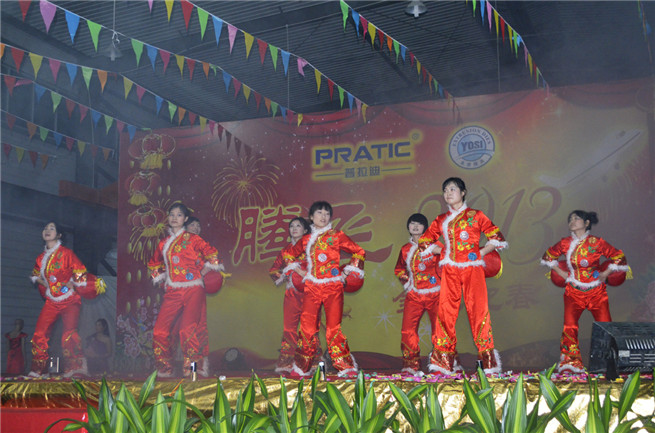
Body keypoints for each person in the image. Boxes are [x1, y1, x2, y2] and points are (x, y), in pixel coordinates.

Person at [419, 177, 507, 375]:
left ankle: (488, 363)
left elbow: (496, 236)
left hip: (472, 269)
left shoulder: (476, 215)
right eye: (445, 190)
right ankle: (443, 363)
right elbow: (424, 242)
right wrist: (442, 252)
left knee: (479, 312)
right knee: (445, 313)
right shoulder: (441, 219)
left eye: (452, 189)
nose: (448, 193)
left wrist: (481, 252)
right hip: (450, 270)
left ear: (463, 192)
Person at [282, 201, 365, 377]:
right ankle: (301, 367)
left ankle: (345, 366)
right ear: (311, 217)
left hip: (333, 287)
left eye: (327, 214)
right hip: (312, 287)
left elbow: (359, 251)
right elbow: (288, 254)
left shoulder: (337, 235)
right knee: (307, 328)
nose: (323, 217)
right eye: (319, 213)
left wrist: (347, 272)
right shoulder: (306, 239)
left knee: (333, 328)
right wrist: (300, 271)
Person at [541, 210, 630, 374]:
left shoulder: (597, 242)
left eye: (577, 218)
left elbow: (619, 256)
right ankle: (570, 363)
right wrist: (562, 273)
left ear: (587, 223)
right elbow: (548, 257)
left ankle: (607, 363)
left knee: (605, 326)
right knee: (569, 326)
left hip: (596, 292)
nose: (572, 221)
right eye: (570, 219)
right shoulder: (565, 243)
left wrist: (606, 273)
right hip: (573, 292)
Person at [148, 203, 223, 378]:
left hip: (193, 289)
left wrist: (203, 272)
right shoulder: (164, 243)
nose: (175, 218)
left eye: (179, 215)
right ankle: (164, 369)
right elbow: (154, 264)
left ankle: (193, 370)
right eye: (172, 215)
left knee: (187, 330)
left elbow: (212, 255)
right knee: (159, 331)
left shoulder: (193, 239)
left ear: (185, 219)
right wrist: (163, 278)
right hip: (172, 291)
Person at [28, 222, 106, 378]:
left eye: (51, 229)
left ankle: (76, 368)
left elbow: (80, 271)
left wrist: (73, 283)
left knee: (69, 334)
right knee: (40, 333)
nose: (47, 230)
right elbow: (35, 275)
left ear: (59, 235)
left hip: (69, 299)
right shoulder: (40, 258)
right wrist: (45, 284)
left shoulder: (66, 253)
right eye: (45, 228)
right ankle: (39, 369)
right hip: (52, 300)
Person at [394, 213, 452, 376]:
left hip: (435, 295)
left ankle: (442, 364)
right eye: (412, 223)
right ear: (408, 227)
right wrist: (408, 283)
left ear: (425, 228)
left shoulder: (435, 245)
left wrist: (444, 283)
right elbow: (399, 269)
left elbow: (447, 262)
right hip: (414, 295)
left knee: (439, 330)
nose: (415, 227)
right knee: (408, 331)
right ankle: (411, 365)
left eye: (419, 224)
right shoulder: (405, 249)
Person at [268, 217, 321, 373]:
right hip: (292, 293)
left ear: (305, 230)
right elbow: (273, 270)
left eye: (298, 226)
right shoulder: (285, 251)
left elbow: (321, 266)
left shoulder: (312, 247)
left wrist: (307, 274)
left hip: (310, 292)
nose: (294, 228)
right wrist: (285, 275)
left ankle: (312, 361)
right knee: (289, 328)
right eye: (292, 226)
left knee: (310, 327)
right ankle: (288, 362)